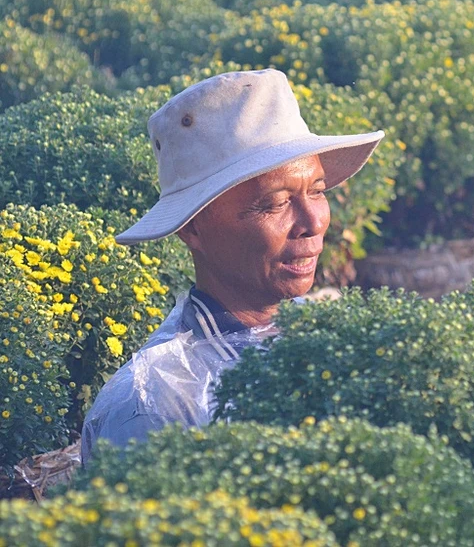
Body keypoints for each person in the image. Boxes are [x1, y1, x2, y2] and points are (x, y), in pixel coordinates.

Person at [80, 68, 384, 464]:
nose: (313, 222)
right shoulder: (153, 402)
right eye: (275, 203)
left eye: (317, 191)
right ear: (193, 228)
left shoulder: (324, 330)